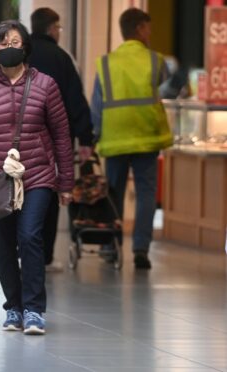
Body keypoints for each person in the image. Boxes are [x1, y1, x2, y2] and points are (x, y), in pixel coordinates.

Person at [0, 20, 74, 335]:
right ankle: (13, 307)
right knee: (4, 243)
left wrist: (65, 182)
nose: (9, 46)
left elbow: (61, 136)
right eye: (3, 42)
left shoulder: (46, 85)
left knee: (30, 236)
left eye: (15, 41)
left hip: (38, 175)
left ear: (25, 46)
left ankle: (35, 309)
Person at [91, 8, 173, 270]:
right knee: (146, 193)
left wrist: (93, 137)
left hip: (115, 139)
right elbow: (174, 90)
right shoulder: (156, 61)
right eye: (148, 28)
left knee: (114, 192)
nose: (150, 33)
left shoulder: (106, 63)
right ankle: (140, 249)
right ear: (139, 29)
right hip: (147, 136)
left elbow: (97, 106)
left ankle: (109, 245)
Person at [27, 7, 94, 273]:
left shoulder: (22, 53)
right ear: (52, 28)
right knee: (48, 190)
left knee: (20, 189)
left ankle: (22, 247)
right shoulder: (62, 58)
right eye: (59, 28)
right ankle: (43, 256)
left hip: (19, 136)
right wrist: (86, 137)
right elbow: (75, 99)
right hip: (53, 138)